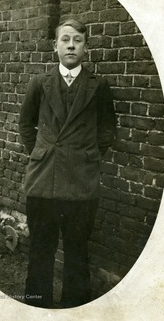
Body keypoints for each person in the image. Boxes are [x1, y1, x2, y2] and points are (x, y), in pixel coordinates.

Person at [19, 19, 116, 309]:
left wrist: (85, 156)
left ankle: (75, 309)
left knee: (76, 253)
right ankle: (36, 307)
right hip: (43, 183)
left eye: (77, 40)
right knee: (40, 253)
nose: (71, 45)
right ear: (55, 46)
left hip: (81, 185)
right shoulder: (39, 83)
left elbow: (108, 130)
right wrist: (44, 152)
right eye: (65, 39)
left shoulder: (98, 86)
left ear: (85, 46)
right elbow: (26, 126)